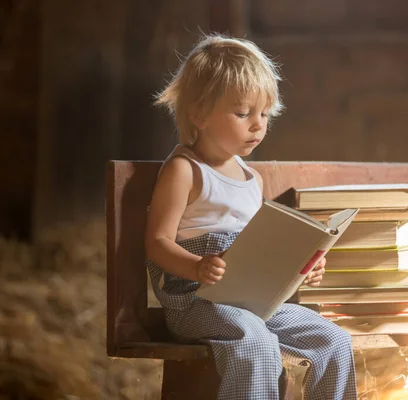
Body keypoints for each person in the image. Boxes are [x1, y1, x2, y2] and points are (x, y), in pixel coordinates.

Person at [144, 33, 358, 400]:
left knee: (333, 340)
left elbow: (262, 250)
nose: (258, 125)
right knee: (255, 339)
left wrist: (301, 269)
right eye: (243, 113)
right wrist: (196, 267)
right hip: (197, 303)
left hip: (255, 304)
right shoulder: (184, 170)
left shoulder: (251, 179)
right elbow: (157, 243)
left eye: (264, 114)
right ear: (199, 114)